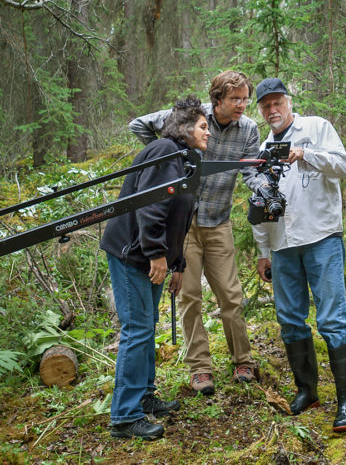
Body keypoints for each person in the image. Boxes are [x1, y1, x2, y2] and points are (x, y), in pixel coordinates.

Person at [129, 71, 265, 395]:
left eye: (246, 98)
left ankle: (243, 360)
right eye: (235, 99)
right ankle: (200, 369)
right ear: (217, 100)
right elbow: (138, 124)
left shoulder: (248, 129)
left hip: (218, 221)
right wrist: (167, 155)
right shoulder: (194, 118)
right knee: (189, 296)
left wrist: (263, 191)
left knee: (231, 295)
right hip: (184, 225)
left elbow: (251, 171)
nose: (242, 105)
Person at [253, 77, 346, 432]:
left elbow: (343, 166)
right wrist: (262, 251)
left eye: (276, 103)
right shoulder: (263, 148)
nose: (272, 110)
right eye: (265, 106)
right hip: (282, 244)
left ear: (288, 101)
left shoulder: (316, 127)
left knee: (331, 318)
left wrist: (305, 154)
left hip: (321, 236)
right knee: (290, 318)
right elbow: (259, 203)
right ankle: (307, 391)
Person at [101, 97, 210, 440]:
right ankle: (124, 417)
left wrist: (176, 263)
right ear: (184, 128)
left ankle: (143, 397)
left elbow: (178, 218)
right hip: (133, 254)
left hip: (149, 254)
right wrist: (156, 254)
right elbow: (151, 207)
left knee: (147, 325)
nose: (209, 133)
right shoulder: (165, 151)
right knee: (137, 328)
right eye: (203, 126)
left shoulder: (180, 159)